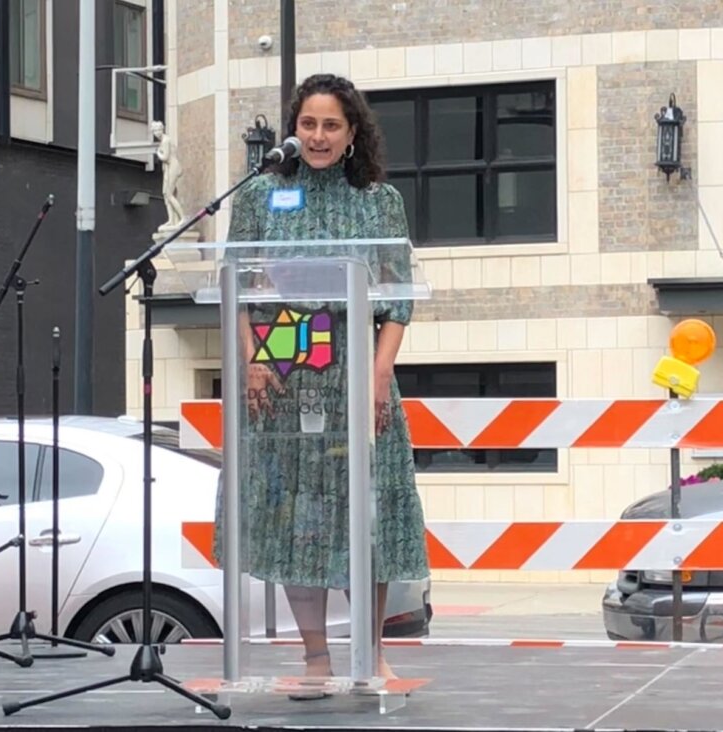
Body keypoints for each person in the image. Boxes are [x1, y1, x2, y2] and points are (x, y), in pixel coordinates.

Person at [212, 73, 429, 696]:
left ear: (353, 132)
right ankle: (314, 659)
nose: (318, 136)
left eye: (331, 125)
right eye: (308, 123)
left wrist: (379, 373)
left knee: (370, 508)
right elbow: (238, 287)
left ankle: (370, 652)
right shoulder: (261, 193)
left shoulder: (379, 200)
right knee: (293, 513)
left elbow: (399, 301)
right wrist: (253, 358)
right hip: (282, 363)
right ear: (293, 127)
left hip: (356, 366)